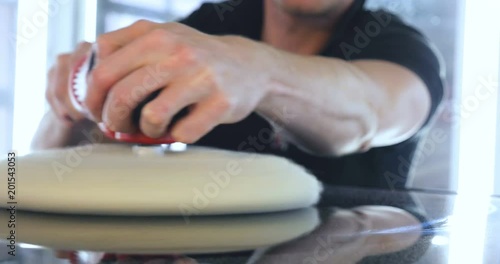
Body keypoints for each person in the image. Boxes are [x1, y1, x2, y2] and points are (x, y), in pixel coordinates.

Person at [32, 0, 444, 189]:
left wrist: (259, 72)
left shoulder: (395, 43)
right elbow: (40, 172)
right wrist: (78, 96)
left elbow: (375, 110)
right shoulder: (213, 23)